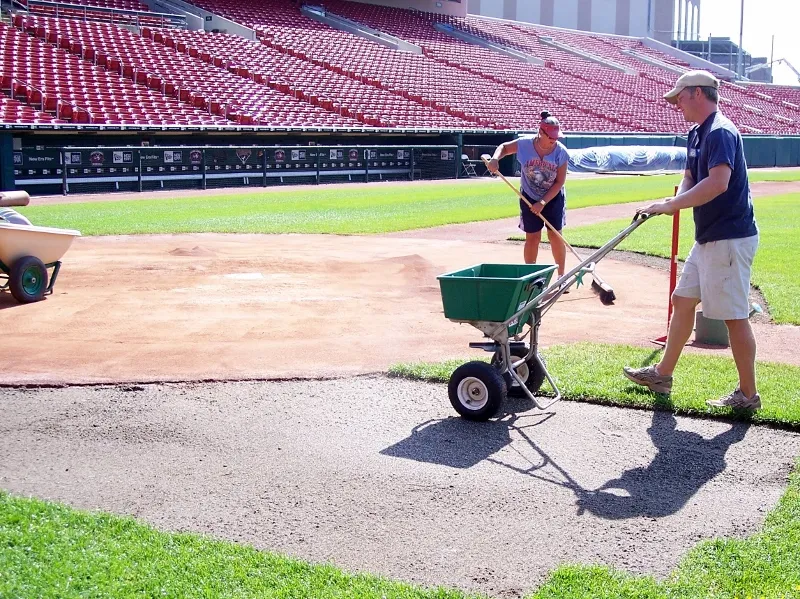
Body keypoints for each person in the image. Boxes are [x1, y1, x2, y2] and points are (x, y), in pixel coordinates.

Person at [623, 70, 760, 410]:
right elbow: (690, 177)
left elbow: (718, 183)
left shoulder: (720, 132)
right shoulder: (697, 133)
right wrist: (671, 203)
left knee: (734, 316)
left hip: (728, 237)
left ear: (698, 94)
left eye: (680, 97)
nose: (677, 104)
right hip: (709, 238)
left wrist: (671, 204)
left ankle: (747, 395)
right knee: (682, 300)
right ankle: (662, 375)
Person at [487, 111, 569, 278]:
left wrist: (543, 203)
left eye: (556, 137)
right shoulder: (525, 144)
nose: (554, 140)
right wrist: (495, 159)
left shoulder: (561, 152)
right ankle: (531, 275)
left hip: (552, 198)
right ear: (541, 132)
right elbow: (504, 147)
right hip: (529, 196)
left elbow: (559, 182)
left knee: (555, 235)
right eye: (551, 136)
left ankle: (561, 276)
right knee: (532, 236)